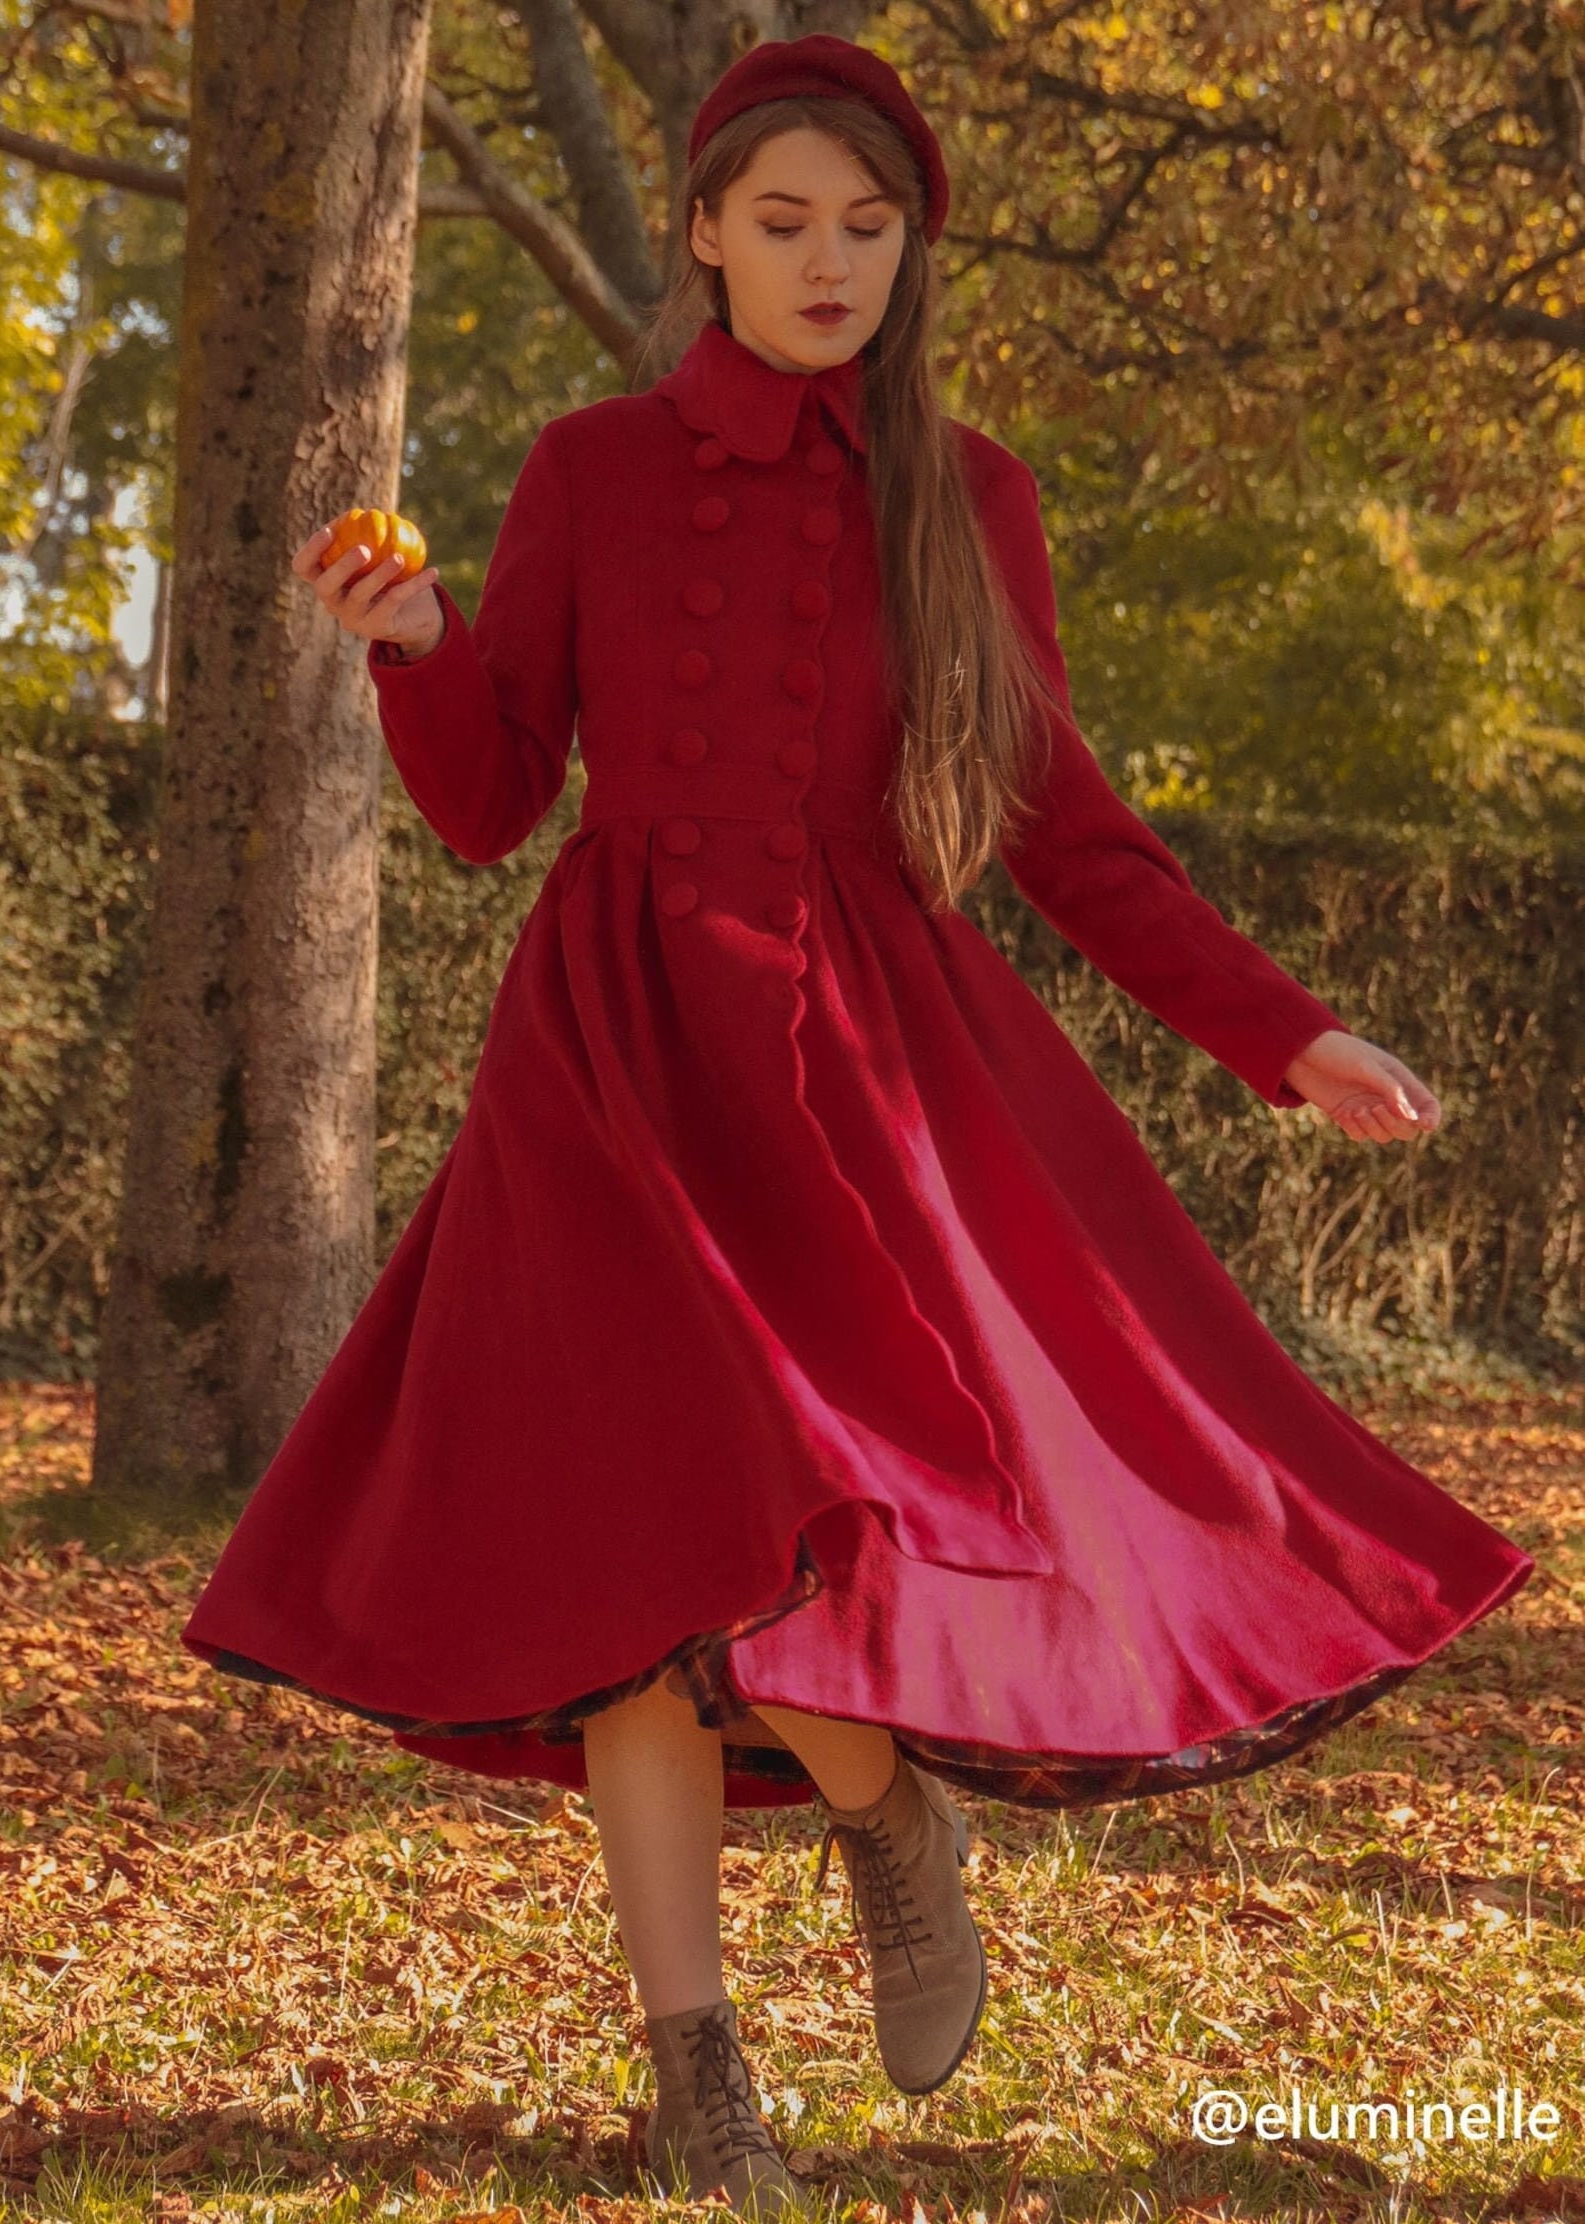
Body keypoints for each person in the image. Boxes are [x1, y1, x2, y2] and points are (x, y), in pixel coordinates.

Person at [186, 33, 1534, 2219]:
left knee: (812, 1524)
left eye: (869, 224)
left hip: (854, 1059)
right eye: (783, 220)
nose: (829, 262)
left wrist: (1278, 1032)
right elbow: (487, 800)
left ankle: (886, 1809)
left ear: (913, 249)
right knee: (634, 1565)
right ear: (703, 232)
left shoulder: (965, 490)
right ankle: (694, 2064)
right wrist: (420, 635)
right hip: (609, 1055)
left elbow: (1070, 837)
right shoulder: (586, 467)